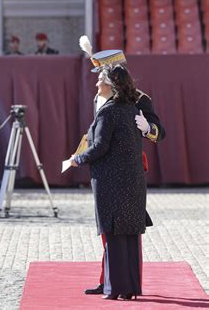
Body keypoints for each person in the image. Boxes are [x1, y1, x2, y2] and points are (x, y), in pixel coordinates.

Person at [78, 38, 166, 295]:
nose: (98, 78)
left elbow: (160, 132)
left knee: (125, 230)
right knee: (109, 232)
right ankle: (108, 279)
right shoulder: (100, 97)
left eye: (102, 73)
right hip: (106, 170)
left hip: (126, 171)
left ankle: (124, 282)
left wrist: (148, 129)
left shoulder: (139, 99)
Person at [69, 65, 147, 300]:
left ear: (111, 86)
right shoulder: (131, 108)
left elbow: (100, 147)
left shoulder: (108, 111)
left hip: (111, 182)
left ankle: (115, 288)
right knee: (130, 235)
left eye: (100, 80)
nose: (96, 84)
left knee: (114, 234)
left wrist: (77, 159)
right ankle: (130, 288)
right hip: (132, 181)